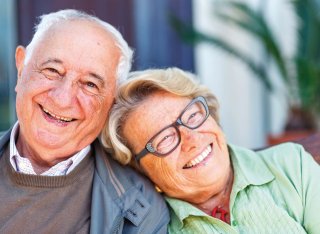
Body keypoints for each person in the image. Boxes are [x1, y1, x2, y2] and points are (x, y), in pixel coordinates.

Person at [0, 9, 169, 233]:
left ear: (112, 101)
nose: (62, 99)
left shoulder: (141, 212)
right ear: (21, 69)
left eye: (90, 84)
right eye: (52, 70)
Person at [102, 67, 320, 233]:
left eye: (192, 116)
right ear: (140, 169)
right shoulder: (157, 227)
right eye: (165, 138)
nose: (191, 139)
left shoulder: (292, 166)